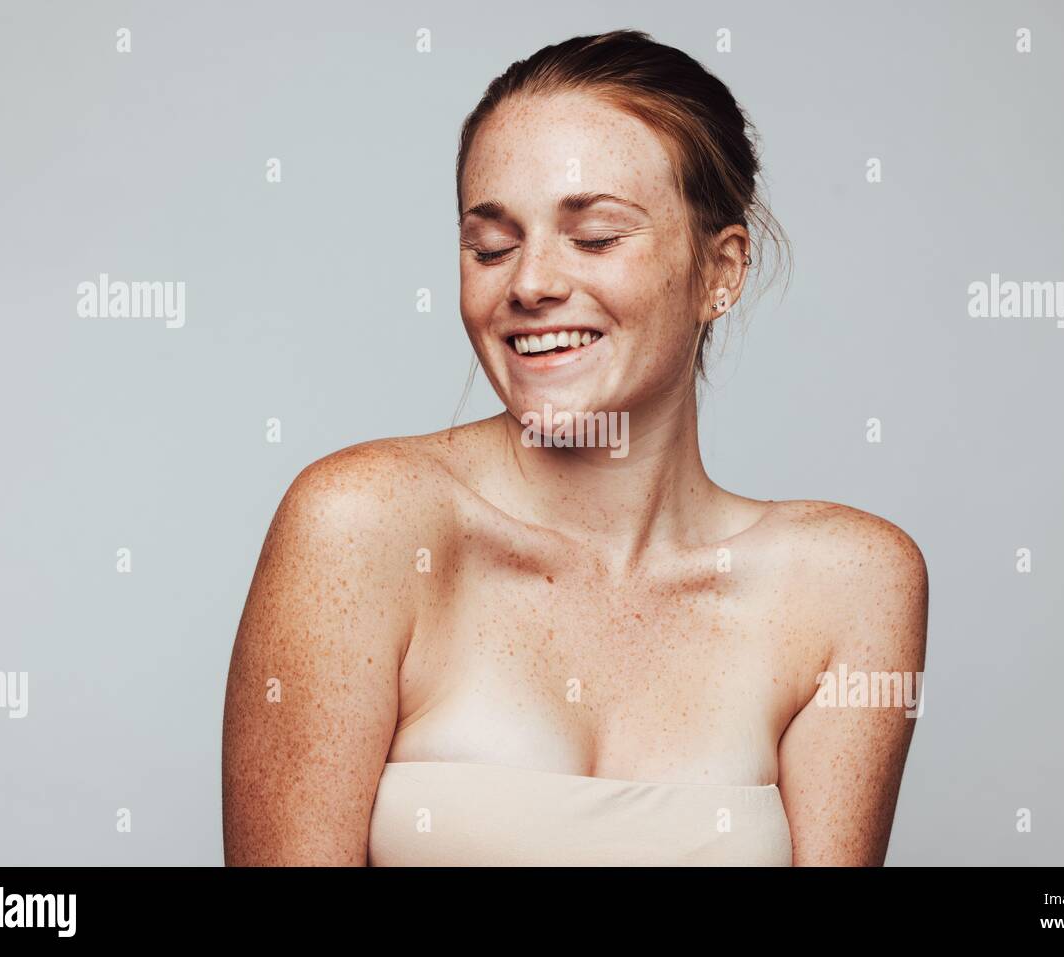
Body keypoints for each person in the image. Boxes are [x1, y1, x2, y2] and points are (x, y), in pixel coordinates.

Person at [222, 29, 928, 866]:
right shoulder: (362, 525)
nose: (528, 283)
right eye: (492, 244)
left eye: (593, 237)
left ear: (721, 271)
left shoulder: (847, 583)